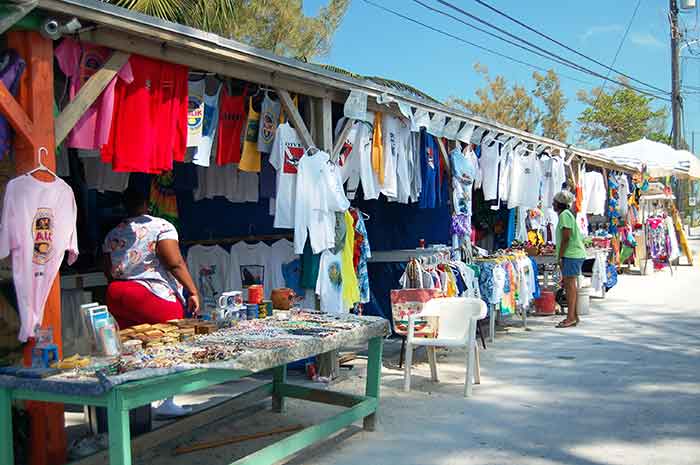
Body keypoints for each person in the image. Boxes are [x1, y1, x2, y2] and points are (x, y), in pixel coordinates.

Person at [103, 187, 199, 416]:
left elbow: (107, 268)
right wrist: (193, 290)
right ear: (148, 204)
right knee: (172, 342)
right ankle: (166, 400)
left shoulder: (113, 232)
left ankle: (136, 405)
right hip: (152, 293)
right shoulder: (162, 226)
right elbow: (174, 262)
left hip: (117, 292)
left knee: (131, 348)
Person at [552, 190, 586, 328]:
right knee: (571, 286)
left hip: (571, 254)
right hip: (573, 254)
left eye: (554, 202)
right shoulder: (567, 214)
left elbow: (566, 237)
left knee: (570, 286)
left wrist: (560, 257)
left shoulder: (564, 215)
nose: (553, 204)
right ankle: (574, 316)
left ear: (559, 203)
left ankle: (570, 317)